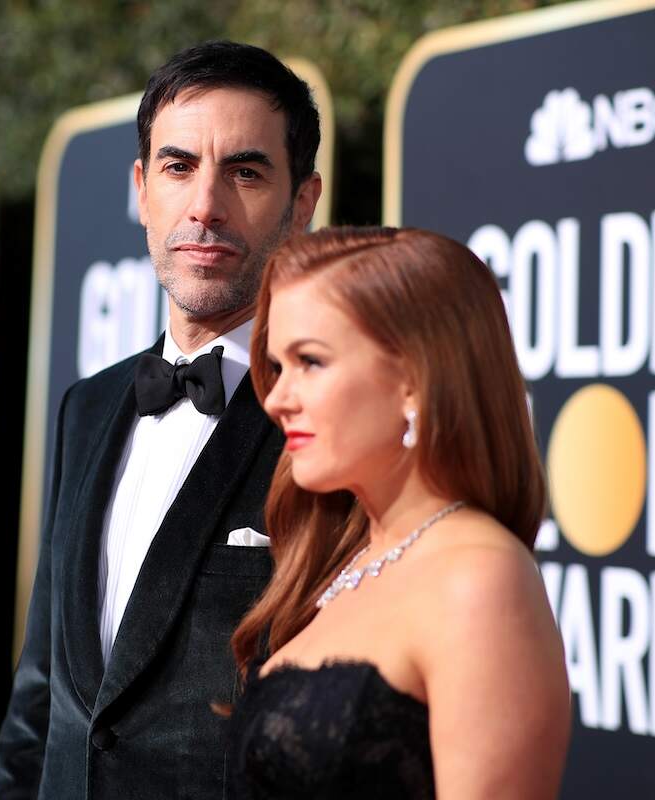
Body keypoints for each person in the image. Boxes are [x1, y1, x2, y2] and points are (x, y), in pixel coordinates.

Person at [0, 41, 322, 798]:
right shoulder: (89, 406)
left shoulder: (328, 420)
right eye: (178, 168)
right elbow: (41, 698)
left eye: (245, 171)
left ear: (304, 202)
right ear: (142, 190)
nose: (205, 205)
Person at [227, 226, 570, 799]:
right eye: (277, 366)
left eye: (310, 361)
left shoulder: (479, 580)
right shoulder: (343, 562)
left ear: (414, 379)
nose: (277, 398)